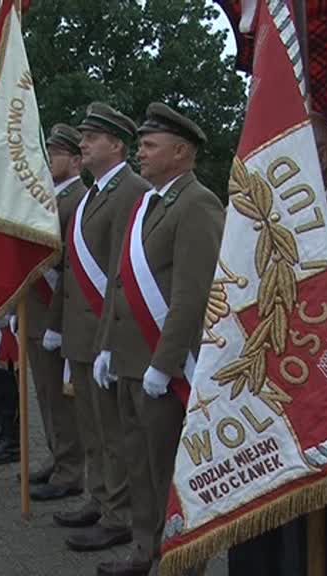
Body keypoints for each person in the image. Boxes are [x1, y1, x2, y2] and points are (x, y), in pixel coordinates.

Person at [225, 113, 327, 576]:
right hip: (255, 408)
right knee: (253, 537)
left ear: (321, 154)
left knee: (313, 548)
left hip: (323, 412)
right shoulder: (248, 224)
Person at [92, 103, 224, 576]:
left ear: (180, 151)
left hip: (164, 368)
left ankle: (184, 560)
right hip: (130, 358)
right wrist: (107, 343)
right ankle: (145, 550)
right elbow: (120, 280)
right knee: (139, 465)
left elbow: (194, 295)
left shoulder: (198, 204)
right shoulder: (149, 202)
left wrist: (164, 364)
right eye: (142, 144)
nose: (141, 154)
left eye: (149, 145)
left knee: (170, 469)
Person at [46, 102, 146, 554]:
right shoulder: (93, 193)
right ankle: (101, 498)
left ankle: (120, 514)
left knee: (113, 434)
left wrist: (108, 340)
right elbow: (70, 269)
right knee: (91, 427)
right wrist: (56, 326)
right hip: (81, 333)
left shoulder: (131, 192)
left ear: (117, 145)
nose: (82, 144)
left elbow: (125, 274)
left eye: (92, 138)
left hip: (108, 337)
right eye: (82, 137)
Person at [27, 123, 88, 502]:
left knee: (62, 400)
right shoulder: (48, 196)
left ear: (75, 160)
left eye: (55, 155)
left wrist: (53, 322)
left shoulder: (76, 199)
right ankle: (57, 455)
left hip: (57, 316)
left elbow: (69, 268)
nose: (48, 161)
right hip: (36, 311)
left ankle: (70, 469)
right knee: (46, 395)